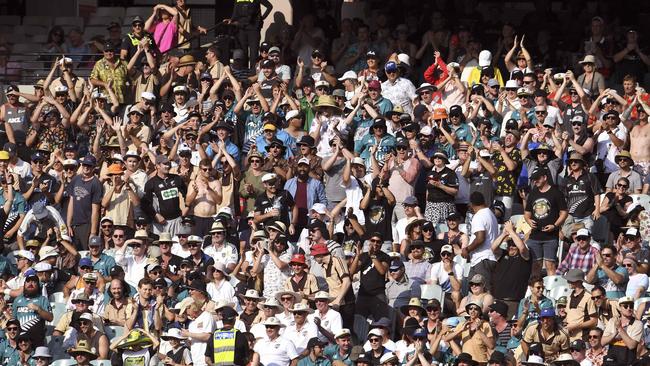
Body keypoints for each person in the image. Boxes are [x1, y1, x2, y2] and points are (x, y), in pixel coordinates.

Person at [525, 167, 568, 276]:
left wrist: (555, 225)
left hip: (551, 236)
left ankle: (551, 291)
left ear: (545, 177)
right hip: (535, 235)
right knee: (535, 265)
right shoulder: (533, 193)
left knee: (550, 265)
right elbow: (527, 213)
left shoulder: (556, 193)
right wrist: (529, 221)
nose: (535, 181)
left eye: (537, 178)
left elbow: (564, 212)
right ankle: (534, 290)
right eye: (534, 179)